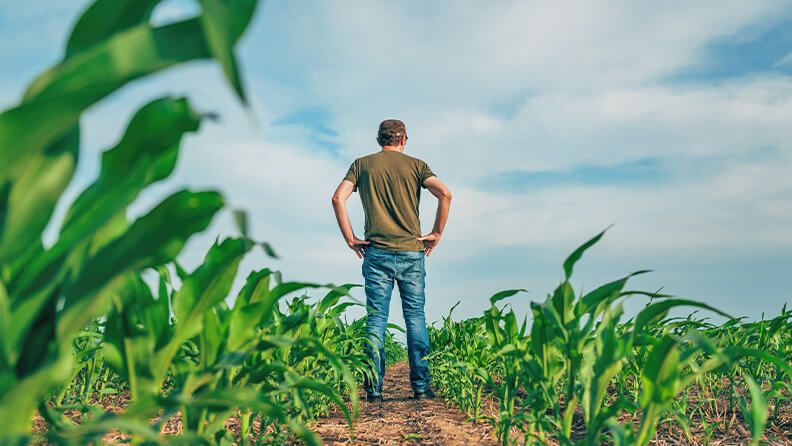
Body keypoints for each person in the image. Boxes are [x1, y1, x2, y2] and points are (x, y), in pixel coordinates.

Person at [331, 119, 452, 402]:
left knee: (376, 321)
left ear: (379, 139)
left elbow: (338, 198)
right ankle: (421, 388)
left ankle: (373, 390)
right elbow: (445, 193)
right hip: (412, 252)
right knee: (415, 319)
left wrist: (350, 239)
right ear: (404, 140)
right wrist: (436, 233)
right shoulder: (417, 166)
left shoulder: (361, 165)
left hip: (376, 254)